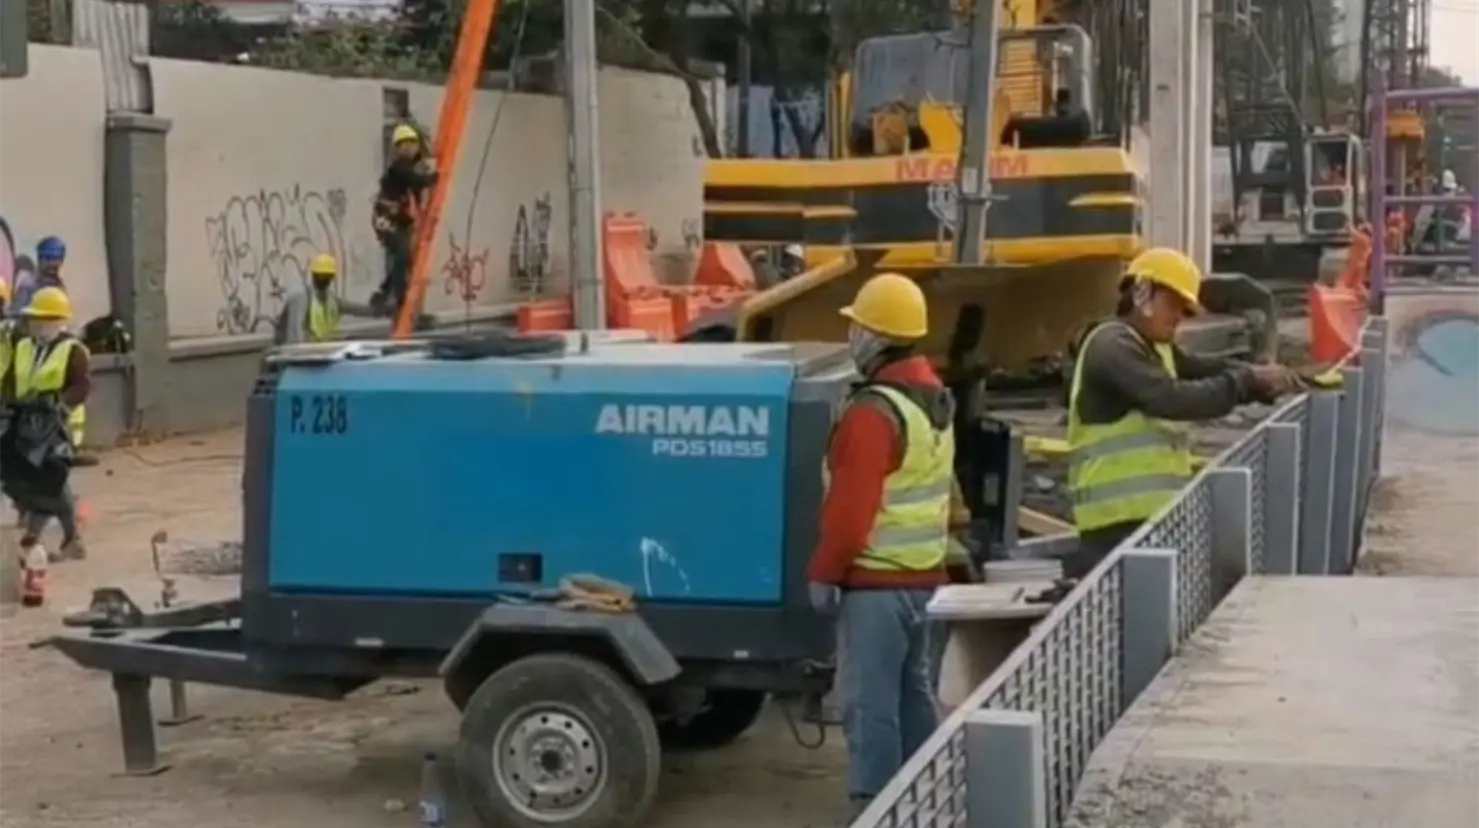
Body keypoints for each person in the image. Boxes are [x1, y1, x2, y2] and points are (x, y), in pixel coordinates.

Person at [806, 273, 966, 819]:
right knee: (912, 695)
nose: (852, 337)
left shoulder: (874, 412)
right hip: (924, 581)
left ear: (875, 337)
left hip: (875, 586)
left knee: (868, 704)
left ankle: (872, 808)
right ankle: (933, 797)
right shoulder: (932, 402)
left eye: (857, 327)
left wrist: (825, 573)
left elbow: (852, 514)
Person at [1063, 247, 1300, 578]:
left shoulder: (1155, 348)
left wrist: (1257, 378)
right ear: (1142, 292)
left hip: (1150, 520)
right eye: (1173, 305)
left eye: (1185, 310)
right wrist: (1247, 381)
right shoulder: (1111, 346)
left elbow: (1203, 370)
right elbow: (1172, 399)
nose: (1179, 317)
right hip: (1114, 526)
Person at [9, 286, 90, 562]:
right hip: (30, 425)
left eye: (42, 320)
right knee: (46, 481)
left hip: (60, 428)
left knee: (50, 479)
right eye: (34, 320)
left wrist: (61, 405)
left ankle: (39, 537)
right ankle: (69, 539)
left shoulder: (73, 350)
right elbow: (12, 381)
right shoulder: (24, 346)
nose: (36, 325)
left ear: (57, 321)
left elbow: (82, 386)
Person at [371, 124, 438, 314]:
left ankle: (384, 292)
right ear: (397, 148)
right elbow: (416, 181)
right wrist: (433, 178)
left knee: (404, 256)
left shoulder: (410, 167)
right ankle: (398, 298)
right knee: (401, 251)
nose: (408, 147)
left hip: (398, 219)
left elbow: (416, 190)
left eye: (412, 143)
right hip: (385, 218)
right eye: (403, 144)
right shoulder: (399, 167)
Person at [274, 254, 384, 345]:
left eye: (326, 277)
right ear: (313, 276)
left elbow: (354, 308)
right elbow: (295, 336)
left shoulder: (330, 300)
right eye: (321, 276)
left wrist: (380, 311)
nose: (324, 280)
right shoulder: (301, 298)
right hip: (292, 359)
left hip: (317, 354)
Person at [12, 236, 66, 313]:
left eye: (56, 259)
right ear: (39, 259)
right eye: (48, 258)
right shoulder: (28, 285)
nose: (52, 263)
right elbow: (17, 314)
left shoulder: (60, 286)